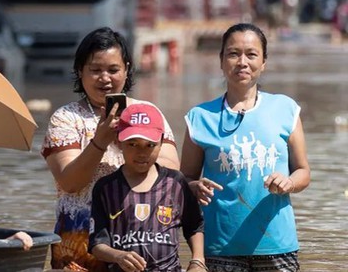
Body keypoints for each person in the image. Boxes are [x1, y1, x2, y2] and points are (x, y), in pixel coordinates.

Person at [41, 27, 180, 271]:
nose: (105, 78)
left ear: (126, 69)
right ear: (80, 72)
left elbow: (171, 175)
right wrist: (100, 141)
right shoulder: (65, 118)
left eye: (113, 70)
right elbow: (70, 182)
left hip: (138, 238)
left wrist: (130, 143)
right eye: (95, 70)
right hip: (79, 239)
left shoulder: (148, 113)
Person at [180, 23, 310, 271]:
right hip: (220, 247)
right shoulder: (199, 117)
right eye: (233, 53)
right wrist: (193, 187)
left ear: (264, 62)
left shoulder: (286, 109)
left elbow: (304, 171)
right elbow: (184, 178)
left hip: (277, 245)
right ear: (221, 61)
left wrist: (289, 183)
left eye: (251, 54)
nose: (242, 62)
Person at [89, 104, 207, 272]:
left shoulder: (176, 182)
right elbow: (97, 244)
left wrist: (197, 261)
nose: (141, 153)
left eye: (150, 145)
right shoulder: (105, 188)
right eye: (132, 144)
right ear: (118, 141)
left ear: (161, 142)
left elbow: (194, 225)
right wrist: (117, 256)